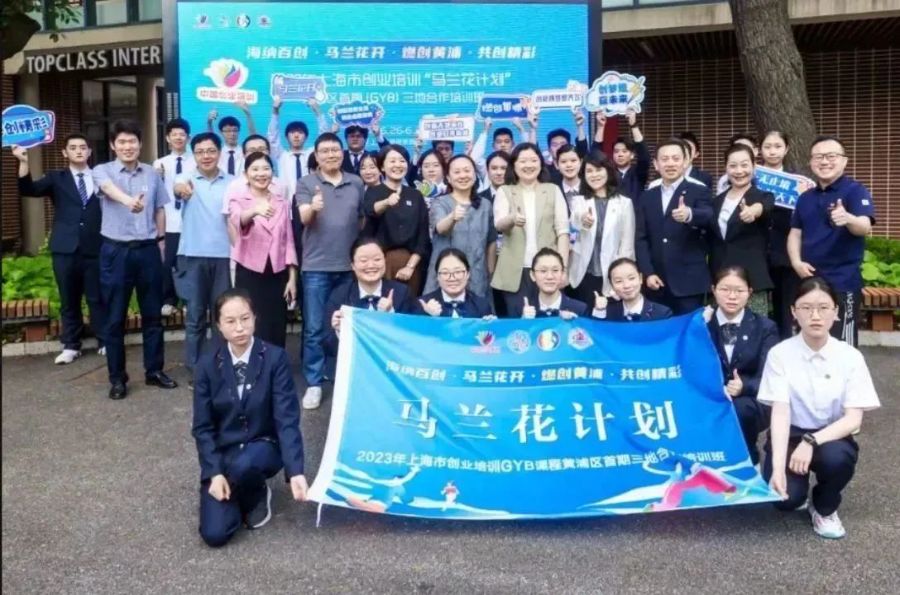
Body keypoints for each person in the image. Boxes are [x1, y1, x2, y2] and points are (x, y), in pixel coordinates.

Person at [758, 276, 880, 539]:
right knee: (785, 500)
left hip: (831, 435)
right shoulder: (780, 354)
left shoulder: (850, 357)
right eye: (806, 308)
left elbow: (853, 420)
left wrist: (811, 441)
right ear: (793, 312)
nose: (815, 316)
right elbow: (780, 413)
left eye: (823, 308)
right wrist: (777, 468)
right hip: (791, 434)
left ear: (836, 312)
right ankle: (797, 490)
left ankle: (824, 507)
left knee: (837, 459)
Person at [191, 288, 307, 548]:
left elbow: (286, 419)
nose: (239, 328)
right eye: (230, 321)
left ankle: (257, 492)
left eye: (245, 318)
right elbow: (202, 427)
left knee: (245, 464)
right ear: (219, 325)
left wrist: (295, 471)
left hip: (263, 446)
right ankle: (237, 494)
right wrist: (214, 473)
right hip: (226, 453)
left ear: (255, 318)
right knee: (215, 534)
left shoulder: (275, 358)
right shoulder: (207, 365)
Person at [92, 120, 177, 399]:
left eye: (132, 141)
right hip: (116, 252)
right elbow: (107, 189)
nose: (127, 146)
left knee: (153, 315)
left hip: (148, 250)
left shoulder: (152, 173)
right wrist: (130, 201)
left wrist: (161, 242)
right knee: (115, 318)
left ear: (140, 144)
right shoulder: (102, 170)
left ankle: (154, 371)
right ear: (113, 145)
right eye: (122, 142)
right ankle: (117, 379)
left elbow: (160, 209)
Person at [13, 135, 105, 364]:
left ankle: (105, 340)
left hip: (95, 246)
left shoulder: (101, 176)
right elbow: (29, 190)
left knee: (97, 297)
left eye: (83, 147)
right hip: (65, 248)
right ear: (65, 153)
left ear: (90, 151)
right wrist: (23, 161)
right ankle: (71, 345)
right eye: (73, 148)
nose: (79, 151)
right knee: (68, 298)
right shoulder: (56, 178)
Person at [296, 132, 366, 410]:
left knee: (347, 326)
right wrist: (313, 208)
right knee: (314, 328)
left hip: (349, 268)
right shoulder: (306, 182)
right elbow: (303, 218)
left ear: (342, 153)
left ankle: (344, 377)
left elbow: (361, 220)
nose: (330, 155)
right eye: (324, 151)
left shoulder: (356, 182)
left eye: (335, 150)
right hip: (316, 267)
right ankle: (314, 383)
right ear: (316, 155)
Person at [787, 136, 875, 347]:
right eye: (818, 157)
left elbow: (865, 226)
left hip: (842, 282)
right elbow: (795, 234)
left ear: (844, 161)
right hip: (809, 280)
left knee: (843, 342)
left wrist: (848, 218)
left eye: (831, 156)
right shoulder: (805, 197)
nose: (824, 161)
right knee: (808, 337)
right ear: (811, 162)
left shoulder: (855, 191)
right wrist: (796, 262)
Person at [704, 266, 779, 466]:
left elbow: (770, 376)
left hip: (750, 399)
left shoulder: (765, 327)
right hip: (709, 396)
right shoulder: (701, 325)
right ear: (713, 290)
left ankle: (749, 461)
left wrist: (744, 386)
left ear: (750, 292)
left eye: (739, 290)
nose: (732, 296)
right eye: (725, 289)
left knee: (740, 409)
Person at [173, 132, 233, 377]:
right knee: (195, 317)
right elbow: (178, 188)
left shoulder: (233, 182)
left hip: (225, 257)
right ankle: (196, 371)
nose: (206, 156)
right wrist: (181, 190)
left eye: (210, 151)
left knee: (223, 317)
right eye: (200, 152)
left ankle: (222, 368)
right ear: (193, 155)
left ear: (219, 152)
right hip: (193, 256)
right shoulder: (185, 178)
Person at [634, 139, 714, 314]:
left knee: (689, 328)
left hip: (689, 283)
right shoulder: (647, 196)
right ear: (656, 164)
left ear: (685, 162)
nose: (670, 163)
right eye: (665, 159)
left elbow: (709, 216)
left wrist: (690, 214)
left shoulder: (699, 190)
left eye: (676, 158)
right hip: (656, 281)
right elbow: (641, 238)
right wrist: (648, 272)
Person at [227, 152, 297, 348]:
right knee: (250, 322)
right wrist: (254, 210)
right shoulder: (238, 200)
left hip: (277, 272)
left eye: (266, 169)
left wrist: (292, 278)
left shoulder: (282, 202)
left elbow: (289, 241)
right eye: (255, 169)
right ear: (246, 174)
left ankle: (276, 365)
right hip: (249, 271)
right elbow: (238, 220)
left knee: (276, 324)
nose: (261, 173)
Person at [491, 143, 570, 315]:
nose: (529, 165)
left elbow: (563, 232)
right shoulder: (505, 191)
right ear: (514, 165)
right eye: (523, 161)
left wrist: (563, 268)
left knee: (549, 319)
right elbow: (499, 225)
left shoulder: (552, 190)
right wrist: (512, 219)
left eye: (533, 160)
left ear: (541, 163)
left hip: (548, 270)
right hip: (514, 271)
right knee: (519, 320)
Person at [327, 238, 415, 368]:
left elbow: (411, 341)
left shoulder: (402, 293)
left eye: (377, 259)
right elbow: (327, 346)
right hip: (353, 368)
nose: (371, 265)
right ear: (353, 266)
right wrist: (339, 331)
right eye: (363, 261)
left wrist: (391, 316)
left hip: (391, 368)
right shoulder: (340, 295)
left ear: (385, 261)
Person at [708, 144, 774, 315]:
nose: (739, 171)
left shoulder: (763, 196)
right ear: (726, 168)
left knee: (754, 327)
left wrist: (754, 211)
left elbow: (764, 207)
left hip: (751, 281)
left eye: (744, 165)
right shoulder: (716, 201)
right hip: (721, 280)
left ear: (754, 166)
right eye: (733, 165)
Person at [568, 152, 635, 304]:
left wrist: (624, 276)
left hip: (612, 274)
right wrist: (583, 220)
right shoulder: (578, 201)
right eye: (589, 171)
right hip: (583, 273)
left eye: (598, 170)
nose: (594, 175)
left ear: (608, 171)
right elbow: (573, 224)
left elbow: (627, 245)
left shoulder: (624, 203)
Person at [424, 155, 497, 297]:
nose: (463, 175)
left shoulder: (485, 205)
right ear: (448, 178)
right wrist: (452, 217)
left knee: (477, 309)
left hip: (477, 275)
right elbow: (440, 228)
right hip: (446, 274)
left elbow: (491, 242)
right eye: (457, 172)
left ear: (475, 175)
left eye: (467, 171)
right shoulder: (440, 202)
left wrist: (491, 272)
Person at [363, 144, 430, 297]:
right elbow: (371, 210)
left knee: (409, 306)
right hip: (380, 262)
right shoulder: (373, 191)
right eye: (392, 161)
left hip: (411, 264)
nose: (398, 165)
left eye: (402, 161)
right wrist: (387, 202)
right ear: (382, 167)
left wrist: (410, 267)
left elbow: (423, 236)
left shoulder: (415, 195)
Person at [760, 130, 800, 338]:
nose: (772, 151)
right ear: (760, 150)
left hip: (785, 254)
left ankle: (784, 346)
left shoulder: (796, 183)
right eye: (767, 146)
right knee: (756, 306)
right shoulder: (751, 177)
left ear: (786, 149)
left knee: (784, 308)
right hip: (756, 252)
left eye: (777, 146)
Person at [153, 118, 194, 318]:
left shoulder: (195, 161)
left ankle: (188, 299)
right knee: (167, 262)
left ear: (188, 138)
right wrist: (158, 177)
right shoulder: (159, 163)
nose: (178, 137)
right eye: (174, 134)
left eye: (182, 134)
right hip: (169, 220)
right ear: (168, 138)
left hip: (191, 221)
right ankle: (168, 300)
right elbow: (155, 195)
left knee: (188, 262)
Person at [267, 96, 327, 203]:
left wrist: (317, 111)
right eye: (292, 132)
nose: (296, 136)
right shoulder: (281, 155)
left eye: (300, 132)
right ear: (286, 137)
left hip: (310, 203)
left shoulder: (312, 155)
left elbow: (324, 138)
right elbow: (272, 137)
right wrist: (275, 111)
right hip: (286, 204)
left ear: (306, 136)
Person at [509, 248, 586, 319]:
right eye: (543, 271)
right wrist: (523, 321)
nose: (549, 276)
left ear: (562, 274)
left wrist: (575, 323)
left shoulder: (579, 309)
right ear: (532, 275)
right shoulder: (521, 309)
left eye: (555, 270)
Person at [593, 109, 650, 201]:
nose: (620, 154)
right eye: (616, 151)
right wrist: (600, 127)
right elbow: (595, 156)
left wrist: (633, 125)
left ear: (632, 155)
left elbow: (644, 156)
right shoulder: (608, 173)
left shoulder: (638, 172)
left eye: (624, 151)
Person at [418, 248, 493, 318]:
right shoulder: (423, 305)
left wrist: (491, 325)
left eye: (458, 272)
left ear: (468, 274)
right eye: (445, 273)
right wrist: (428, 317)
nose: (452, 278)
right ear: (437, 276)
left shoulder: (481, 306)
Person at [592, 257, 672, 322]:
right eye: (619, 281)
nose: (626, 285)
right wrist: (599, 311)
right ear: (612, 285)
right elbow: (596, 335)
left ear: (640, 278)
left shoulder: (662, 314)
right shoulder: (608, 312)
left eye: (631, 278)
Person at [207, 102, 257, 176]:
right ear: (221, 132)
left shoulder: (245, 151)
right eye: (227, 131)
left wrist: (248, 114)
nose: (232, 134)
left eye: (235, 130)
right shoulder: (218, 152)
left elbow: (254, 140)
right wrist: (209, 122)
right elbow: (210, 140)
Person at [555, 144, 583, 211]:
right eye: (563, 162)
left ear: (581, 162)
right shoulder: (553, 190)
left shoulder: (589, 187)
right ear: (557, 165)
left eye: (573, 160)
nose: (569, 165)